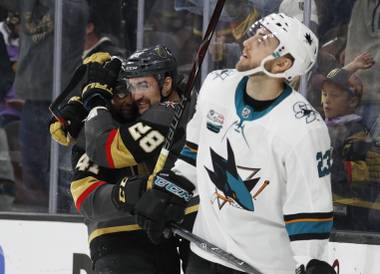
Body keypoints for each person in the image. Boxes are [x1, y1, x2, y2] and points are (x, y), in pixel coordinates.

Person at [125, 13, 337, 274]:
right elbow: (194, 153)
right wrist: (168, 191)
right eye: (253, 34)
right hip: (203, 255)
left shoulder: (304, 129)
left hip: (261, 268)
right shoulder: (216, 87)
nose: (246, 43)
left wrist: (311, 262)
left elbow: (309, 211)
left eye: (262, 40)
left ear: (282, 63)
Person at [50, 45, 197, 273]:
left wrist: (93, 101)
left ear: (167, 84)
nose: (133, 95)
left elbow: (105, 147)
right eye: (127, 87)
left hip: (168, 234)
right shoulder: (102, 122)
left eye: (142, 85)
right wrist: (80, 101)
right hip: (115, 239)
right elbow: (84, 195)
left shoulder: (170, 112)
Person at [320, 52, 378, 230]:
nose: (326, 101)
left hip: (347, 216)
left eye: (335, 96)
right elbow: (331, 77)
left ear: (352, 102)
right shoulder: (321, 126)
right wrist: (352, 65)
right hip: (322, 206)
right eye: (324, 94)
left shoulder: (357, 135)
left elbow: (355, 181)